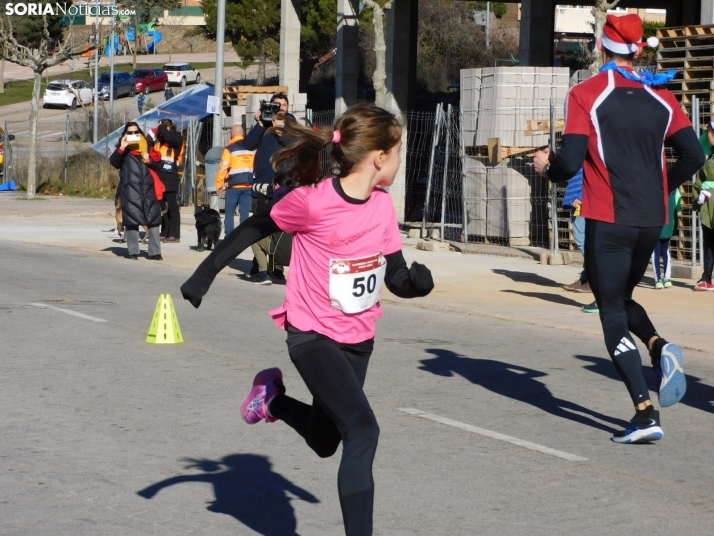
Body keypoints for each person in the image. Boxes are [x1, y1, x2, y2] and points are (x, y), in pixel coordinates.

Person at [180, 104, 435, 536]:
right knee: (362, 429)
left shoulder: (381, 206)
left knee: (324, 440)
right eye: (397, 152)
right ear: (379, 157)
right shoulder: (313, 203)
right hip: (312, 335)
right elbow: (255, 226)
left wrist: (415, 284)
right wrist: (203, 275)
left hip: (358, 337)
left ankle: (271, 400)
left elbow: (392, 272)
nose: (398, 160)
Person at [533, 14, 705, 444]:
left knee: (609, 310)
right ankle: (660, 348)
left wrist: (546, 167)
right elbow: (695, 156)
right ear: (638, 50)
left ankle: (645, 414)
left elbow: (569, 163)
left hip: (608, 216)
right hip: (650, 219)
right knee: (620, 298)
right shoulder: (662, 97)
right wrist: (658, 186)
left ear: (601, 46)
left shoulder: (586, 93)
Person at [244, 92, 294, 280]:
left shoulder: (291, 125)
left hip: (282, 186)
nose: (280, 109)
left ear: (288, 108)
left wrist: (281, 130)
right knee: (259, 224)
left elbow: (295, 145)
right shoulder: (264, 125)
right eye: (276, 105)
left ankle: (275, 268)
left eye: (283, 105)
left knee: (278, 229)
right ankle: (259, 265)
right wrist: (259, 123)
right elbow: (249, 144)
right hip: (262, 184)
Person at [109, 122, 163, 260]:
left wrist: (148, 159)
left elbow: (159, 166)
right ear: (125, 135)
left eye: (135, 132)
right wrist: (122, 147)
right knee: (132, 220)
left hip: (148, 188)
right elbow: (114, 162)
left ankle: (155, 252)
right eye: (130, 133)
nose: (133, 135)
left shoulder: (148, 148)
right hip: (130, 189)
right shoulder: (124, 151)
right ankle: (133, 252)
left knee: (153, 220)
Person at [148, 119, 184, 244]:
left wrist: (161, 127)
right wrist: (152, 132)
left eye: (163, 128)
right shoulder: (159, 140)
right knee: (163, 207)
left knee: (172, 206)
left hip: (171, 176)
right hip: (159, 176)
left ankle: (174, 234)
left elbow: (170, 138)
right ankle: (164, 232)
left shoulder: (177, 138)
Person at [215, 124, 255, 237]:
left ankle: (229, 237)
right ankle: (243, 238)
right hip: (248, 185)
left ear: (232, 134)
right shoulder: (251, 147)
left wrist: (219, 185)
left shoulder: (229, 149)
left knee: (229, 213)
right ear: (242, 134)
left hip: (233, 186)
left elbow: (222, 169)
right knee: (245, 214)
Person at [693, 121, 714, 291]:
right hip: (709, 204)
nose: (707, 136)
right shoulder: (712, 155)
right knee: (709, 241)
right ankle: (707, 277)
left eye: (709, 132)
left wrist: (710, 185)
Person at [652, 188, 682, 289]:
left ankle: (658, 279)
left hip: (656, 225)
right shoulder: (675, 190)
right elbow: (678, 207)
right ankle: (667, 278)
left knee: (656, 252)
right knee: (665, 251)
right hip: (669, 225)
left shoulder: (655, 187)